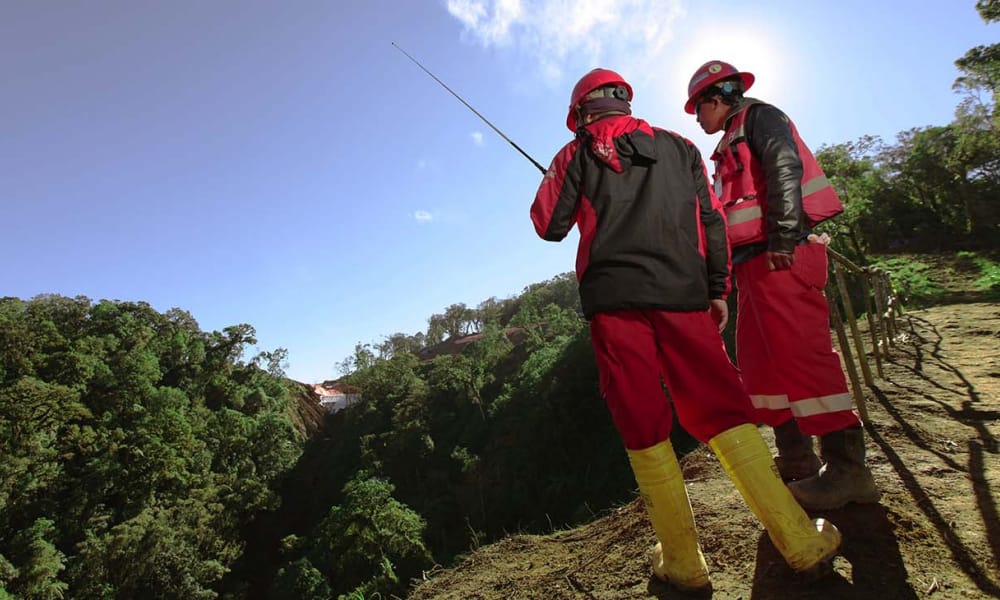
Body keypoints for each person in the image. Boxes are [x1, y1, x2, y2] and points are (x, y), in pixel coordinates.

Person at [531, 67, 840, 593]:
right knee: (721, 406)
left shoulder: (575, 152)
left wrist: (570, 165)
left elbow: (548, 224)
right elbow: (713, 220)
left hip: (614, 303)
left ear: (581, 112)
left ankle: (682, 563)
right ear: (624, 102)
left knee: (641, 419)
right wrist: (717, 292)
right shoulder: (681, 148)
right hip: (685, 298)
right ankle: (799, 541)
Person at [684, 60, 880, 510]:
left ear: (716, 100)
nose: (697, 119)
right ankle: (796, 461)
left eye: (698, 109)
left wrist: (784, 234)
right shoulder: (727, 142)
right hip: (751, 266)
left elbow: (783, 167)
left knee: (802, 359)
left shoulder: (760, 117)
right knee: (761, 367)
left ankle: (849, 471)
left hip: (780, 256)